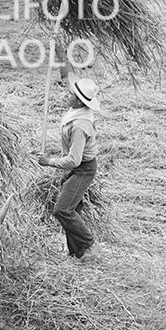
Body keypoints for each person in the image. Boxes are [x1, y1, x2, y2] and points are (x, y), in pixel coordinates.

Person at [36, 64, 102, 262]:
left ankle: (90, 244)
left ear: (80, 102)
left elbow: (74, 159)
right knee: (73, 209)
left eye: (71, 94)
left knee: (62, 210)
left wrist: (49, 162)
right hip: (77, 168)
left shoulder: (81, 125)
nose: (67, 95)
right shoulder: (74, 115)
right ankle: (76, 253)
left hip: (83, 170)